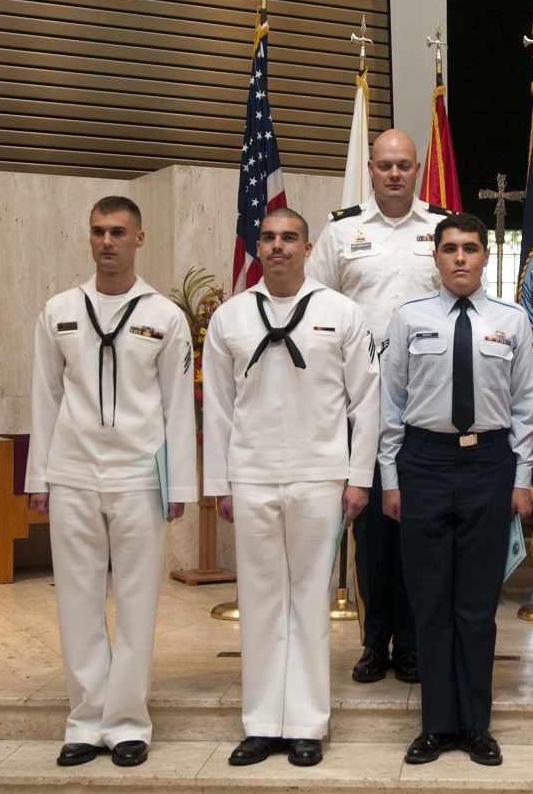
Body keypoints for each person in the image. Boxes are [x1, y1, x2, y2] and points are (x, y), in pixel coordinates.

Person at [202, 208, 380, 767]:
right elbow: (219, 410)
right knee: (259, 601)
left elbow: (366, 400)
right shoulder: (230, 317)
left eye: (289, 239)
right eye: (269, 238)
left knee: (310, 600)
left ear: (307, 248)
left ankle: (305, 722)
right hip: (251, 474)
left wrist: (358, 477)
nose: (277, 247)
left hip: (320, 473)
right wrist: (219, 483)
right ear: (258, 247)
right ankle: (261, 722)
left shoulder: (342, 312)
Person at [26, 196, 197, 768]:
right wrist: (40, 476)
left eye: (118, 232)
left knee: (137, 602)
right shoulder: (59, 309)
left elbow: (178, 407)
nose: (107, 241)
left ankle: (126, 723)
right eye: (98, 231)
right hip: (72, 471)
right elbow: (46, 397)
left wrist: (179, 488)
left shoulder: (165, 316)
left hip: (139, 476)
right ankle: (84, 721)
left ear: (139, 239)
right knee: (76, 601)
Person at [379, 213, 533, 766]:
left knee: (476, 604)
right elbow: (391, 406)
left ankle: (476, 725)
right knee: (430, 601)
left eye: (471, 249)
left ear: (486, 255)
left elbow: (525, 409)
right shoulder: (408, 319)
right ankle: (435, 724)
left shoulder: (512, 321)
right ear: (436, 256)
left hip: (489, 465)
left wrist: (522, 479)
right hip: (423, 462)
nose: (461, 259)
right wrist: (391, 479)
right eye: (450, 249)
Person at [307, 128, 450, 686]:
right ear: (370, 168)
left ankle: (411, 643)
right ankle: (374, 641)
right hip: (361, 403)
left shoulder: (442, 229)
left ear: (418, 170)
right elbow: (314, 307)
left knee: (416, 527)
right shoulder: (343, 231)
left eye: (405, 166)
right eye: (385, 165)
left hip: (426, 404)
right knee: (370, 531)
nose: (394, 174)